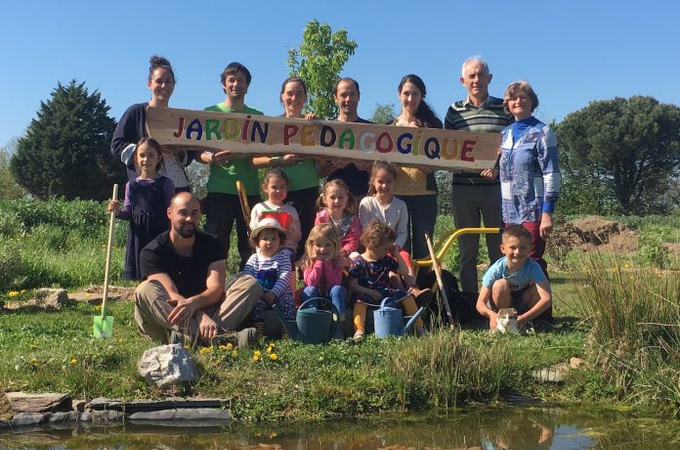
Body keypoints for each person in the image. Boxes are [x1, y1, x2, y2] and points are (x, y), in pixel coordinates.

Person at [134, 192, 261, 347]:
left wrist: (194, 305)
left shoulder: (213, 244)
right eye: (183, 213)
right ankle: (218, 338)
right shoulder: (152, 252)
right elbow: (170, 294)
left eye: (194, 213)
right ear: (169, 213)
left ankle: (194, 338)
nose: (189, 219)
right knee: (145, 290)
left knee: (250, 283)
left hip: (206, 310)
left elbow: (216, 289)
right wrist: (197, 314)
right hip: (169, 316)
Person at [444, 57, 513, 299]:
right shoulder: (454, 111)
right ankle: (470, 301)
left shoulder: (504, 109)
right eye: (471, 76)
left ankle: (497, 299)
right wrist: (450, 164)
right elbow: (445, 147)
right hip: (463, 188)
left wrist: (498, 166)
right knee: (467, 251)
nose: (476, 80)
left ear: (489, 78)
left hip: (496, 188)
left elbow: (513, 147)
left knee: (498, 248)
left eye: (481, 74)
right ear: (462, 81)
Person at [199, 62, 262, 269]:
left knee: (250, 243)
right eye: (232, 80)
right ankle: (212, 283)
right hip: (219, 190)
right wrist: (212, 158)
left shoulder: (258, 117)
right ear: (223, 84)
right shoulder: (210, 113)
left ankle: (249, 282)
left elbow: (265, 151)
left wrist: (247, 153)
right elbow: (197, 152)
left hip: (250, 190)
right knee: (216, 242)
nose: (236, 84)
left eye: (241, 80)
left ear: (248, 85)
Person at [498, 80, 560, 283]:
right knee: (513, 263)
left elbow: (552, 173)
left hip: (533, 210)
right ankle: (517, 304)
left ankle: (543, 304)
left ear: (532, 101)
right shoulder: (504, 135)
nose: (518, 101)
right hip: (509, 212)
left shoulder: (543, 132)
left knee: (532, 261)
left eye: (523, 97)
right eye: (513, 98)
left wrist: (547, 212)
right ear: (507, 104)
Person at [252, 77, 320, 256]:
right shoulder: (272, 126)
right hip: (279, 193)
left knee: (307, 238)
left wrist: (317, 125)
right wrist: (281, 160)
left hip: (307, 189)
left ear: (305, 97)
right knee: (276, 239)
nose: (294, 98)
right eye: (290, 93)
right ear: (282, 96)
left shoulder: (313, 124)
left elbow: (325, 157)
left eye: (299, 94)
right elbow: (255, 160)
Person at [110, 55, 193, 191]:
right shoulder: (136, 112)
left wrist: (178, 152)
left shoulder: (179, 117)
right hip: (147, 187)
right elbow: (117, 145)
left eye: (168, 81)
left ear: (174, 85)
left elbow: (190, 153)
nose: (164, 85)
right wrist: (148, 151)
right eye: (159, 81)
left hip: (178, 186)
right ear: (149, 84)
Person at [391, 74, 442, 281]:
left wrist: (432, 166)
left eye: (415, 94)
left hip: (425, 195)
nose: (410, 99)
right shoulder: (388, 127)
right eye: (406, 94)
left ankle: (424, 291)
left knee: (424, 246)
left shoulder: (433, 125)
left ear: (422, 96)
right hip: (397, 195)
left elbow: (444, 157)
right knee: (400, 247)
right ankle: (404, 291)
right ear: (399, 95)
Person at [108, 138, 174, 280]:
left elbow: (172, 213)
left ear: (159, 158)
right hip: (138, 234)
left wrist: (172, 235)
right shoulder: (131, 185)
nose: (146, 159)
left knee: (159, 270)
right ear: (136, 159)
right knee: (140, 273)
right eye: (142, 155)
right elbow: (128, 212)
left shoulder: (166, 183)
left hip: (159, 233)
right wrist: (117, 211)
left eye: (151, 155)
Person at [348, 221, 425, 341]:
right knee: (359, 302)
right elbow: (353, 284)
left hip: (386, 293)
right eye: (385, 249)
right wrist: (370, 292)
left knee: (407, 296)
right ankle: (359, 330)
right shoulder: (358, 262)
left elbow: (404, 272)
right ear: (371, 246)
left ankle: (419, 327)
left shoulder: (386, 259)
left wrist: (396, 254)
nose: (387, 251)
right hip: (366, 293)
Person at [475, 225, 552, 330]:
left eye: (523, 248)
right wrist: (492, 316)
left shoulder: (533, 267)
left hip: (522, 301)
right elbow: (480, 303)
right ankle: (503, 321)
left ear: (530, 249)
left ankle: (528, 321)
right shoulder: (496, 268)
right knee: (500, 285)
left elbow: (547, 299)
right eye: (513, 247)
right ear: (503, 249)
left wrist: (524, 318)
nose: (517, 252)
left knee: (539, 290)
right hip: (502, 302)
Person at [318, 77, 372, 198]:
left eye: (352, 94)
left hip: (364, 198)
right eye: (343, 95)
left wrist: (367, 167)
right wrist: (335, 165)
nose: (348, 99)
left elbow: (381, 170)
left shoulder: (372, 130)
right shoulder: (326, 130)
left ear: (358, 97)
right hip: (335, 200)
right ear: (335, 98)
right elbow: (320, 172)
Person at [242, 217, 297, 322]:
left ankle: (287, 325)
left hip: (280, 294)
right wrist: (257, 293)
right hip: (259, 295)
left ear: (280, 241)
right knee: (255, 304)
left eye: (274, 239)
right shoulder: (254, 259)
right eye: (265, 239)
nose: (269, 242)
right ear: (257, 241)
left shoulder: (283, 257)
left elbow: (284, 277)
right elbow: (247, 277)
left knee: (287, 302)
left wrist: (273, 293)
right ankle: (259, 325)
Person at [358, 161, 410, 269]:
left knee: (405, 257)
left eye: (389, 181)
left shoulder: (401, 205)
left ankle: (411, 281)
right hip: (372, 250)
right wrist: (378, 248)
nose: (384, 185)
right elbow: (365, 230)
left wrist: (395, 246)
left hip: (392, 250)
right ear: (373, 182)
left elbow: (402, 232)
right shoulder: (366, 203)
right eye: (380, 181)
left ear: (395, 182)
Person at [300, 224, 347, 339]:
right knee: (309, 290)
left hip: (331, 296)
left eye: (327, 245)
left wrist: (327, 264)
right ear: (311, 245)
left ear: (334, 245)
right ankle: (313, 326)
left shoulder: (337, 260)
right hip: (314, 296)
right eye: (318, 245)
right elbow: (311, 282)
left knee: (338, 289)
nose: (323, 249)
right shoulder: (307, 261)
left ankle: (337, 327)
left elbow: (335, 282)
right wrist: (319, 263)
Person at [249, 168, 302, 265]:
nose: (278, 191)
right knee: (257, 259)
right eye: (274, 187)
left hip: (286, 248)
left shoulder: (291, 210)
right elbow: (252, 231)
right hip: (265, 248)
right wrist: (259, 221)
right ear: (265, 188)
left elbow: (297, 238)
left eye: (282, 187)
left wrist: (290, 227)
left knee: (286, 257)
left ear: (287, 188)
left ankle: (286, 275)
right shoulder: (259, 208)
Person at [314, 178, 361, 265]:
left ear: (347, 198)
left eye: (341, 197)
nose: (337, 201)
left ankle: (350, 275)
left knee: (356, 257)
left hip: (345, 253)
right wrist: (330, 252)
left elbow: (354, 240)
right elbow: (319, 239)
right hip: (325, 251)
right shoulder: (321, 218)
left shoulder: (352, 219)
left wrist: (343, 252)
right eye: (332, 197)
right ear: (324, 199)